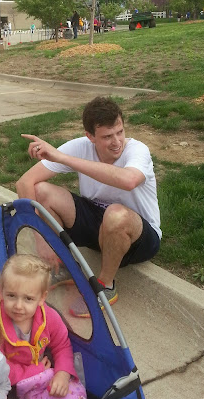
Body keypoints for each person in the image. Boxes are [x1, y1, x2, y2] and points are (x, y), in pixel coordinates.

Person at [16, 97, 161, 317]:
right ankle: (63, 268)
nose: (116, 142)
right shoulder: (80, 146)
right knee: (41, 191)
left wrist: (64, 159)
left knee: (115, 214)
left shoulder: (138, 150)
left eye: (120, 132)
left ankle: (105, 287)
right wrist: (41, 241)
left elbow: (128, 180)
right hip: (98, 225)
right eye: (107, 137)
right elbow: (24, 183)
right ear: (90, 136)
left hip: (138, 236)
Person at [0, 255, 87, 399]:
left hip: (44, 374)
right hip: (11, 382)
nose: (18, 306)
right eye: (11, 296)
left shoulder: (49, 317)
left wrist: (62, 373)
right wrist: (35, 370)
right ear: (2, 291)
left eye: (28, 299)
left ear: (42, 298)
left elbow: (62, 345)